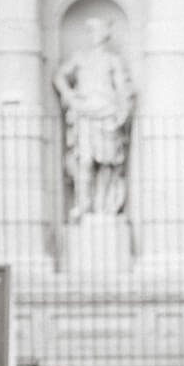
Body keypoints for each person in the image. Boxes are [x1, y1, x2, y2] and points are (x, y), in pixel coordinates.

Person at [53, 17, 135, 220]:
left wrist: (123, 111)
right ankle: (84, 205)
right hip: (84, 114)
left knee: (107, 163)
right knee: (84, 161)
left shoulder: (112, 60)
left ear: (105, 34)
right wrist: (71, 96)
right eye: (91, 31)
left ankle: (103, 206)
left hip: (106, 113)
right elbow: (59, 77)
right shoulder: (80, 57)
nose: (94, 35)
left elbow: (123, 89)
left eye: (98, 30)